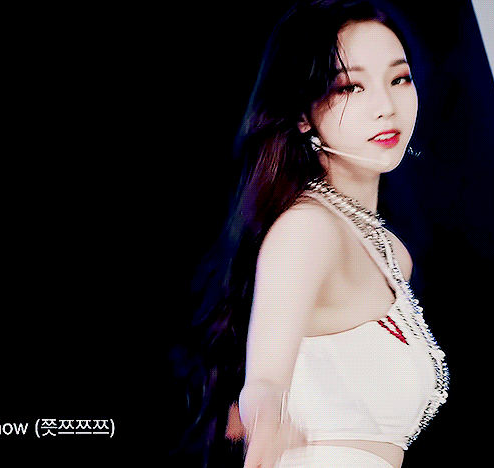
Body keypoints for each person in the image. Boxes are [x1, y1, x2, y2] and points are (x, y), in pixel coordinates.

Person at [189, 1, 449, 466]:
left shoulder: (390, 252)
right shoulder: (308, 228)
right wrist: (263, 419)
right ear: (302, 114)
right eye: (350, 87)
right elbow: (265, 382)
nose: (385, 107)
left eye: (399, 79)